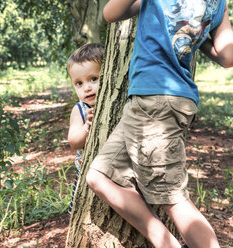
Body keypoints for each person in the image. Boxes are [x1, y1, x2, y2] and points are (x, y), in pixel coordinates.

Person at [85, 1, 233, 248]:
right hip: (167, 100)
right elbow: (228, 56)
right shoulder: (218, 3)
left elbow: (110, 13)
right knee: (99, 176)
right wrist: (193, 33)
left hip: (153, 100)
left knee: (173, 198)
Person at [66, 43, 105, 214]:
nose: (86, 88)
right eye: (79, 83)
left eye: (93, 79)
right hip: (87, 174)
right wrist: (85, 128)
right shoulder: (80, 109)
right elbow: (74, 142)